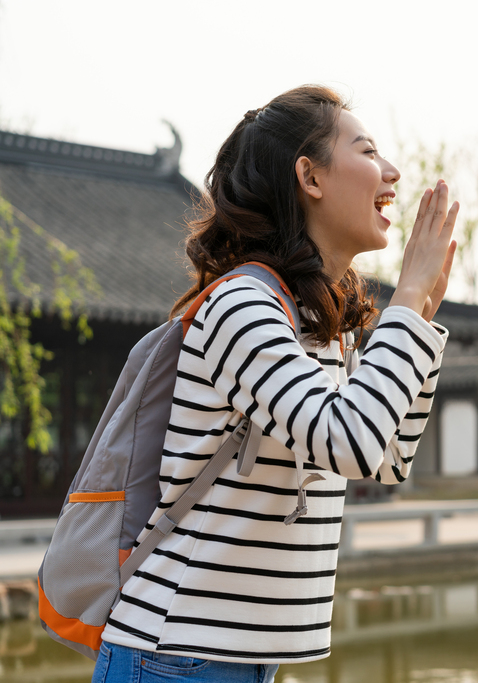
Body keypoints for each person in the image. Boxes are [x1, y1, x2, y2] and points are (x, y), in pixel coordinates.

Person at [91, 85, 458, 682]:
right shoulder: (243, 305)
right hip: (176, 654)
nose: (391, 172)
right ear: (309, 176)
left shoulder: (317, 324)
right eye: (367, 151)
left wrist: (420, 320)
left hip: (243, 658)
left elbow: (385, 457)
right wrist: (407, 303)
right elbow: (349, 441)